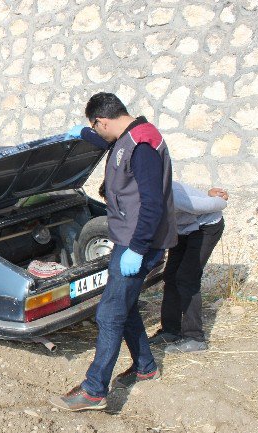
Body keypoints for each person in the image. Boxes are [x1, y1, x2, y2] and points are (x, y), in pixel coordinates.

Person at [50, 92, 178, 411]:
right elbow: (108, 144)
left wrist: (136, 249)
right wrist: (81, 135)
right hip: (130, 239)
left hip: (139, 243)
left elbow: (152, 203)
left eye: (95, 127)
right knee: (127, 306)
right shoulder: (126, 135)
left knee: (108, 313)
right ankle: (145, 367)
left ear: (102, 120)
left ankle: (94, 391)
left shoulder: (142, 146)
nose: (97, 133)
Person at [148, 181, 227, 353]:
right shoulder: (141, 194)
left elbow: (216, 204)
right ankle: (171, 330)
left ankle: (195, 338)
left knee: (186, 278)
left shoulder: (172, 196)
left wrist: (219, 197)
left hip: (206, 227)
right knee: (170, 276)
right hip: (182, 230)